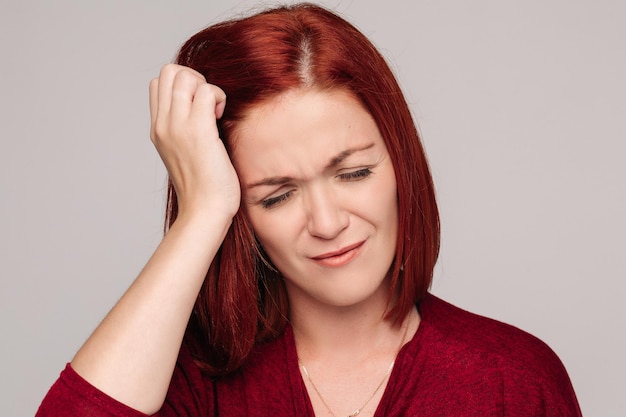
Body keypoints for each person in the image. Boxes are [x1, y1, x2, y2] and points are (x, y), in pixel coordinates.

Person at [36, 3, 582, 416]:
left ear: (401, 163)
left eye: (354, 173)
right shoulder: (191, 384)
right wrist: (201, 212)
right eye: (276, 195)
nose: (327, 223)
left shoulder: (512, 380)